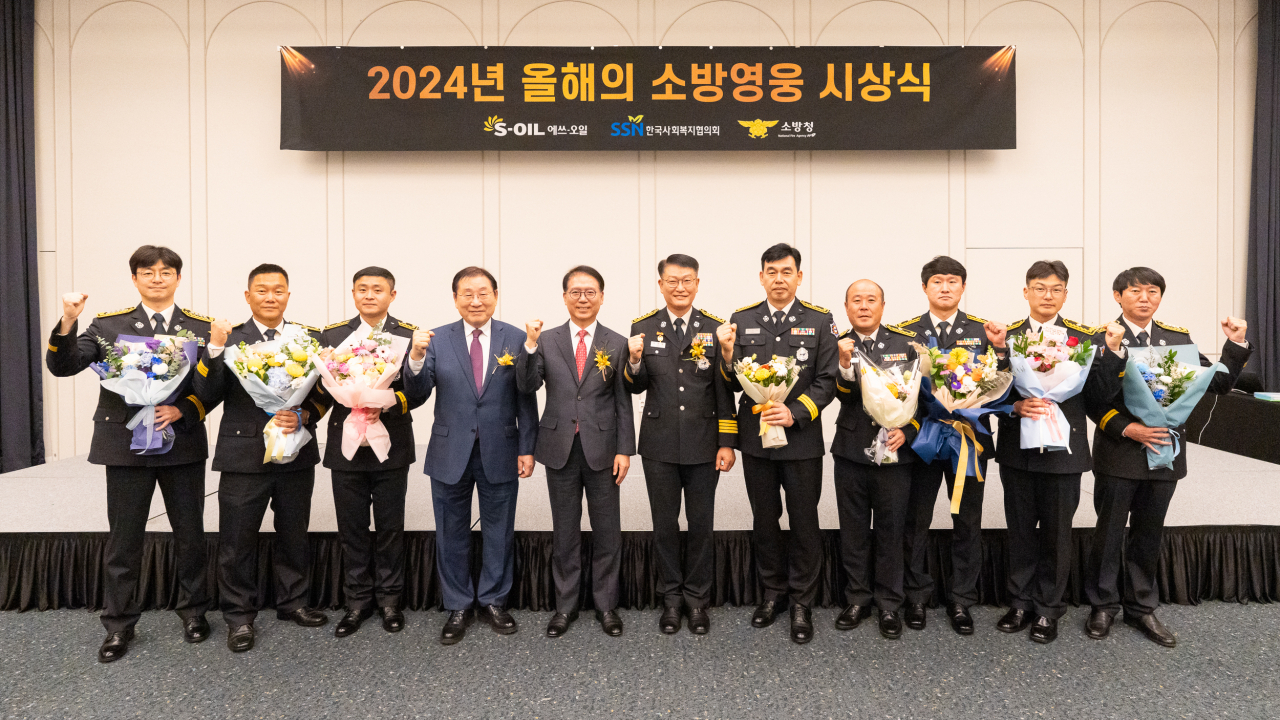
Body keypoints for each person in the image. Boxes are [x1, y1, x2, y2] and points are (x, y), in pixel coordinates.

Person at [46, 245, 214, 663]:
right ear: (134, 278)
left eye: (165, 272)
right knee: (124, 541)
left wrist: (185, 408)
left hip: (181, 442)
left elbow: (216, 387)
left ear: (178, 277)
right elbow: (64, 365)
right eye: (147, 272)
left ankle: (194, 612)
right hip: (124, 445)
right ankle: (119, 624)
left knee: (190, 535)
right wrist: (69, 318)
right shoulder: (107, 325)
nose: (157, 278)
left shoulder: (201, 327)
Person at [1084, 266, 1251, 647]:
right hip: (1119, 449)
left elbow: (1218, 383)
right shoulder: (1099, 338)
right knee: (1108, 532)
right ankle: (1103, 604)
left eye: (1153, 291)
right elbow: (1093, 398)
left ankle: (1141, 606)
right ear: (1117, 296)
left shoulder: (1176, 337)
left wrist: (1236, 345)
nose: (1145, 298)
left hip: (1165, 450)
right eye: (1136, 291)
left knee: (1149, 532)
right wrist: (1129, 428)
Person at [196, 264, 329, 652]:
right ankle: (239, 617)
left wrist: (304, 414)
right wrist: (215, 349)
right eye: (262, 290)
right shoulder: (230, 337)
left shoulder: (308, 338)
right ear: (247, 296)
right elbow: (206, 392)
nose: (271, 297)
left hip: (296, 448)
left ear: (288, 295)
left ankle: (294, 602)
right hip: (243, 453)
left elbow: (326, 392)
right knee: (237, 540)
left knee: (294, 534)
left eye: (278, 290)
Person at [989, 261, 1125, 643]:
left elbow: (1100, 397)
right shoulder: (1006, 337)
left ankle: (1048, 608)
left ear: (1066, 293)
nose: (1047, 296)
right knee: (1018, 530)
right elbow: (987, 394)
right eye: (1039, 288)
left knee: (1057, 533)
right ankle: (1019, 602)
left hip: (1064, 451)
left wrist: (1112, 352)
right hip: (1018, 448)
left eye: (1056, 289)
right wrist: (1014, 407)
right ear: (1025, 292)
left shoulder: (1086, 338)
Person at [403, 266, 537, 645]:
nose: (476, 301)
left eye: (483, 293)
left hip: (502, 448)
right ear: (455, 298)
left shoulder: (515, 337)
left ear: (496, 295)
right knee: (451, 530)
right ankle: (458, 603)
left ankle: (494, 599)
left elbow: (526, 399)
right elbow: (416, 394)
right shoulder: (436, 339)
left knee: (499, 529)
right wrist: (414, 356)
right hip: (449, 450)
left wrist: (527, 448)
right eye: (467, 294)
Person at [718, 243, 837, 645]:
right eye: (772, 271)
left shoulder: (820, 321)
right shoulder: (742, 319)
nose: (779, 278)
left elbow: (827, 380)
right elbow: (732, 381)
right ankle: (773, 594)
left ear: (799, 277)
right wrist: (727, 355)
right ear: (761, 276)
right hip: (756, 442)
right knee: (764, 520)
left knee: (804, 522)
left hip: (801, 440)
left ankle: (802, 600)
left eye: (787, 271)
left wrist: (796, 412)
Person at [517, 266, 635, 637]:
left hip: (603, 449)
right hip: (558, 448)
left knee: (607, 532)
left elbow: (622, 401)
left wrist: (625, 450)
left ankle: (606, 606)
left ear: (602, 296)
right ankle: (565, 606)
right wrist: (530, 346)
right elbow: (527, 384)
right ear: (564, 296)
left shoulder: (616, 342)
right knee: (564, 532)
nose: (583, 298)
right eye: (575, 292)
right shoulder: (546, 340)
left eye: (590, 292)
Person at [624, 254, 737, 635]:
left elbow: (725, 391)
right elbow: (634, 385)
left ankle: (697, 601)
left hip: (705, 445)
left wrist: (727, 442)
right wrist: (635, 361)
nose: (680, 287)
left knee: (702, 525)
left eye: (687, 280)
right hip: (658, 446)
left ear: (698, 284)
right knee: (664, 525)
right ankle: (671, 599)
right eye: (672, 280)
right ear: (660, 285)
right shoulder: (643, 327)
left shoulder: (717, 328)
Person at [895, 255, 1004, 636]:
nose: (945, 287)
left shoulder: (985, 332)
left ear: (962, 287)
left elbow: (1002, 382)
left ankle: (962, 599)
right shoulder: (904, 332)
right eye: (937, 281)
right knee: (916, 521)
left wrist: (1001, 350)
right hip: (922, 440)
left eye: (953, 281)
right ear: (924, 288)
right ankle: (916, 596)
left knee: (967, 521)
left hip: (968, 442)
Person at [320, 267, 428, 638]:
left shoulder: (408, 335)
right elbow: (321, 389)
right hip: (345, 445)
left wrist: (386, 402)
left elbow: (418, 389)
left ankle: (390, 601)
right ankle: (356, 603)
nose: (369, 295)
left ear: (392, 295)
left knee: (389, 527)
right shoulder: (333, 335)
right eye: (362, 289)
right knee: (351, 529)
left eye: (377, 290)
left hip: (390, 442)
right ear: (353, 294)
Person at [830, 279, 925, 640]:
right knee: (853, 531)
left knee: (891, 531)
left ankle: (889, 604)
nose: (864, 306)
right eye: (857, 300)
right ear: (847, 306)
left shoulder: (906, 344)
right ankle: (857, 599)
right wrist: (843, 364)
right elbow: (841, 394)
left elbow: (925, 400)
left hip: (896, 455)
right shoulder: (838, 344)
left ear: (883, 306)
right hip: (852, 451)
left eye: (871, 300)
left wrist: (910, 430)